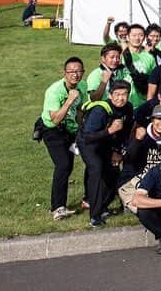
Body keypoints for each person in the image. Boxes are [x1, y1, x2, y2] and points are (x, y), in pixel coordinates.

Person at [77, 80, 134, 227]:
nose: (121, 98)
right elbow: (88, 136)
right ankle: (94, 216)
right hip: (89, 143)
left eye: (124, 94)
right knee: (96, 170)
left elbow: (126, 132)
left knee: (113, 172)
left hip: (107, 142)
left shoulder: (128, 108)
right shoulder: (100, 111)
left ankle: (103, 207)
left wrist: (117, 151)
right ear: (110, 95)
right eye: (117, 94)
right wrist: (109, 130)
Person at [39, 57, 87, 220]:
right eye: (71, 71)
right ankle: (57, 208)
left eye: (79, 71)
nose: (76, 75)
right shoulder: (54, 91)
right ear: (64, 73)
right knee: (63, 165)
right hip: (52, 130)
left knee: (68, 165)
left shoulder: (83, 85)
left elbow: (80, 110)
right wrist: (69, 101)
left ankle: (83, 200)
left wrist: (80, 129)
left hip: (70, 129)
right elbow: (55, 119)